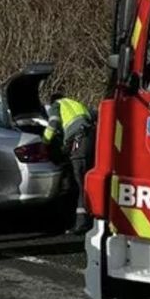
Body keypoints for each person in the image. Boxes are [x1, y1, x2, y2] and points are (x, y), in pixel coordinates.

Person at [44, 91, 96, 235]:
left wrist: (45, 141)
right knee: (86, 178)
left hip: (78, 142)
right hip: (91, 139)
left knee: (80, 183)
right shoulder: (77, 104)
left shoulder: (57, 105)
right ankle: (93, 216)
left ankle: (82, 223)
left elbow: (53, 124)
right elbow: (95, 115)